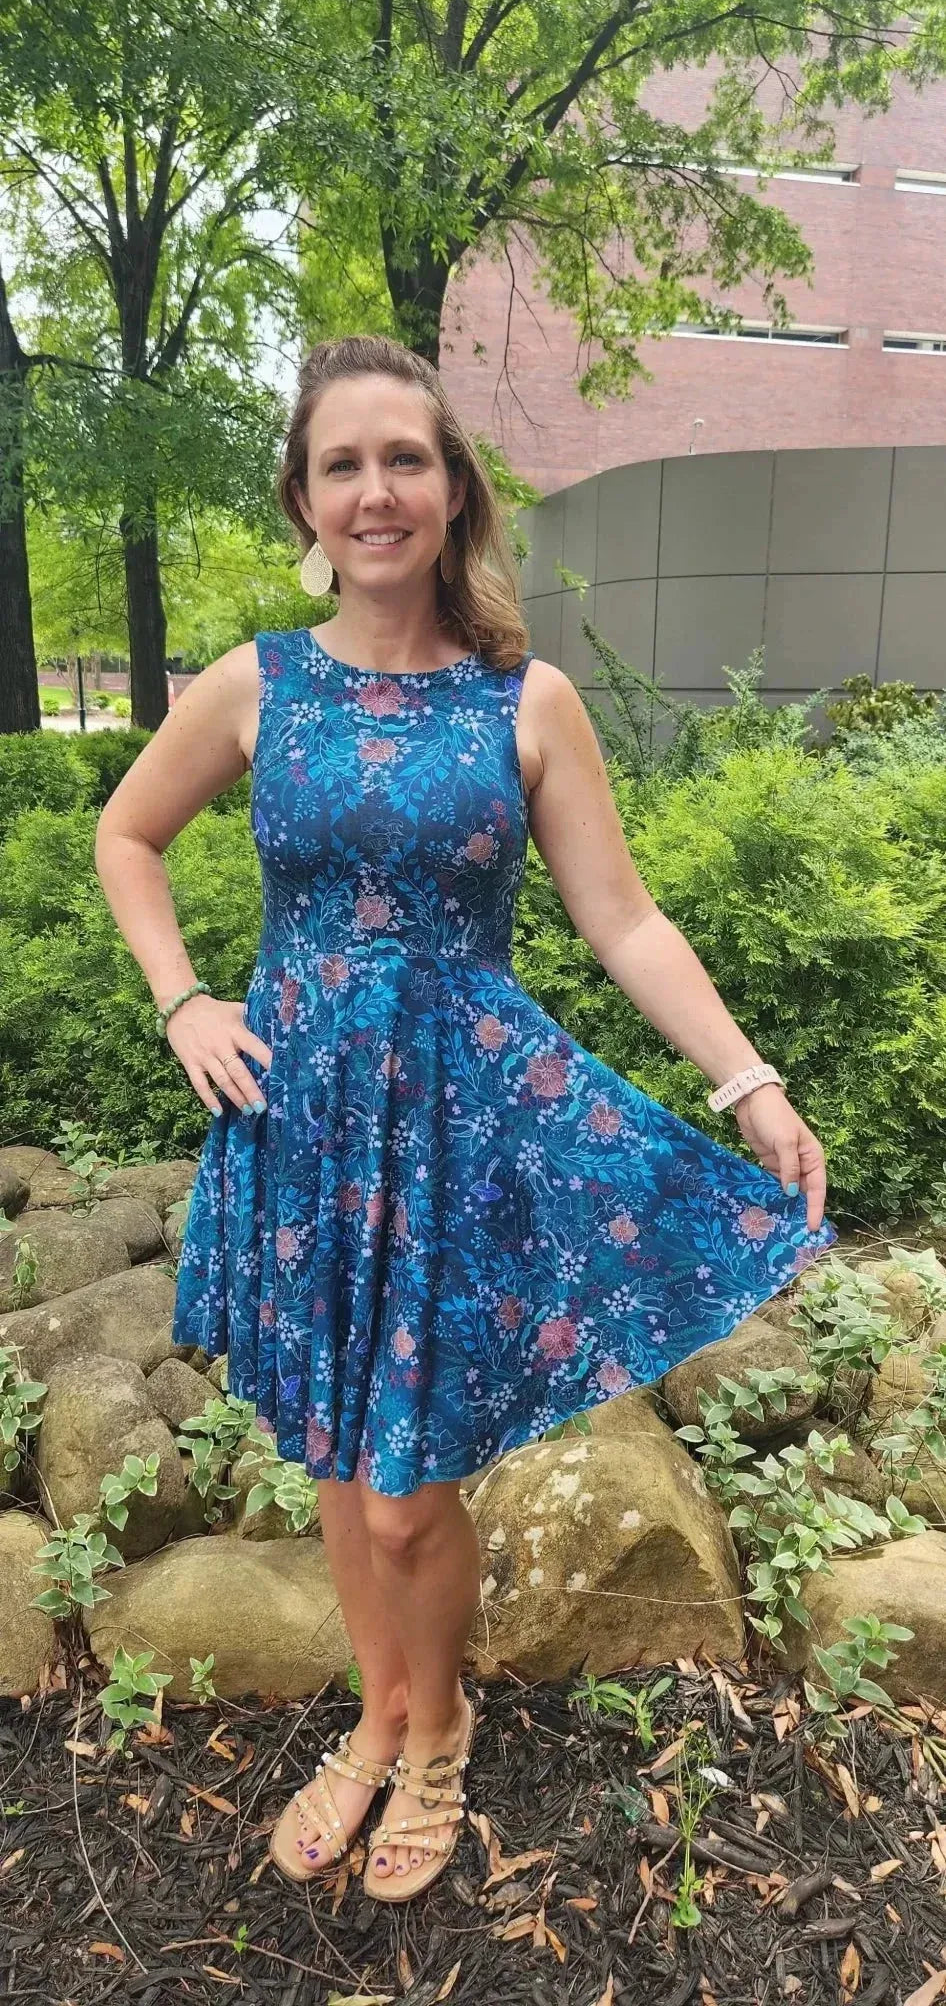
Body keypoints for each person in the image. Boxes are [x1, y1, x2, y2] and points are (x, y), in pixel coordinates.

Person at [94, 332, 837, 1904]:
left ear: (451, 492)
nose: (376, 491)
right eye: (345, 463)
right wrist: (184, 1003)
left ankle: (435, 1735)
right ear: (305, 494)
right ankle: (375, 1719)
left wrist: (746, 1081)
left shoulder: (528, 696)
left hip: (455, 1132)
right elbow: (128, 835)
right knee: (333, 1460)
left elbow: (623, 922)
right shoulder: (257, 683)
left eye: (404, 460)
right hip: (300, 1126)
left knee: (402, 1488)